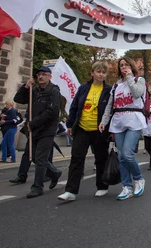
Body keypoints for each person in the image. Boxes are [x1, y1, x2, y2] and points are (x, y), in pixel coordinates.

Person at [58, 61, 112, 201]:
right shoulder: (83, 88)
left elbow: (111, 110)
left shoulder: (109, 90)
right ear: (92, 73)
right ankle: (71, 191)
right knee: (76, 158)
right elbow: (75, 107)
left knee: (100, 158)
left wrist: (111, 130)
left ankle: (102, 186)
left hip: (99, 130)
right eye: (98, 71)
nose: (101, 74)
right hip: (82, 128)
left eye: (103, 72)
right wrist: (70, 125)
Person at [11, 66, 63, 199]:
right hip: (34, 130)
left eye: (44, 74)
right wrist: (25, 87)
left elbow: (52, 112)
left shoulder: (54, 91)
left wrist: (33, 123)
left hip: (47, 129)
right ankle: (54, 173)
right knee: (32, 157)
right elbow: (18, 99)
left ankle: (37, 187)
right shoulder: (34, 91)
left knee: (40, 158)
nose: (41, 77)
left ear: (50, 76)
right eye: (39, 74)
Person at [100, 57, 147, 200]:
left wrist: (130, 78)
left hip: (134, 120)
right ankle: (126, 186)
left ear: (131, 66)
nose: (124, 67)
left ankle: (138, 179)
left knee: (127, 153)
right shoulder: (116, 86)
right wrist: (104, 121)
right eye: (121, 65)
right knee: (121, 157)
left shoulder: (140, 80)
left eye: (126, 64)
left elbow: (137, 93)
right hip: (118, 120)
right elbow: (110, 105)